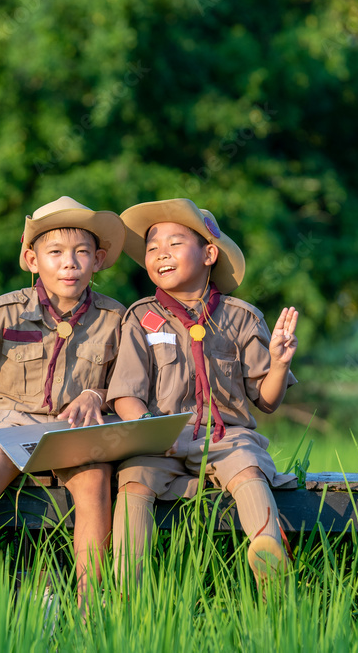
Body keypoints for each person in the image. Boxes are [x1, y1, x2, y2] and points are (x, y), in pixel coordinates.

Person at [0, 196, 127, 610]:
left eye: (81, 253)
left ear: (99, 259)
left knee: (95, 482)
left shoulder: (115, 318)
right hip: (10, 426)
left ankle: (90, 609)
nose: (69, 263)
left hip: (75, 431)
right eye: (55, 253)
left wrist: (96, 395)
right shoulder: (4, 311)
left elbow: (132, 385)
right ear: (32, 259)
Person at [106, 198, 299, 586]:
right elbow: (126, 393)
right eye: (152, 247)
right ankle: (127, 583)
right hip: (162, 439)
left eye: (175, 244)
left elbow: (267, 399)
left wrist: (279, 364)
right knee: (133, 478)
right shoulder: (140, 318)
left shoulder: (241, 317)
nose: (161, 254)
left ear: (209, 253)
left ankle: (268, 553)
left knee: (248, 465)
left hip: (225, 437)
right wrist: (146, 428)